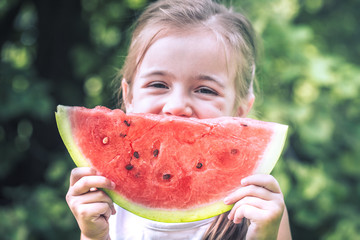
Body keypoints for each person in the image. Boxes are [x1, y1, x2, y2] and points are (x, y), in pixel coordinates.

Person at [66, 0, 292, 239]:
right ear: (128, 95)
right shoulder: (107, 203)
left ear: (239, 111)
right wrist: (93, 235)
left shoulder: (258, 207)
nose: (176, 107)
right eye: (158, 84)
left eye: (205, 90)